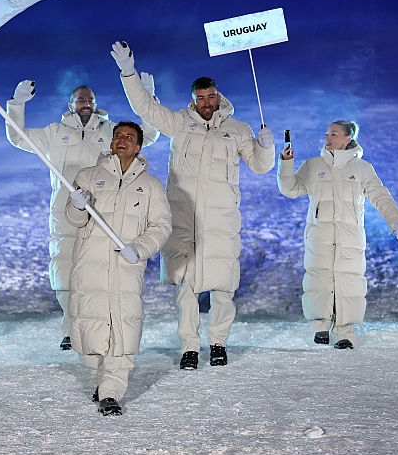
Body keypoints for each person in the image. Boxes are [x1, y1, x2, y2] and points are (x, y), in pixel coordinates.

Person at [110, 42, 275, 370]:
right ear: (193, 99)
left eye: (211, 97)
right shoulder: (179, 124)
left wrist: (266, 146)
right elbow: (146, 109)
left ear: (218, 96)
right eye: (200, 98)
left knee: (222, 283)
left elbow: (260, 166)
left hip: (221, 218)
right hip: (184, 216)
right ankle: (189, 346)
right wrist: (128, 73)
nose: (206, 103)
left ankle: (218, 343)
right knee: (185, 282)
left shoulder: (237, 129)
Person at [5, 80, 158, 351]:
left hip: (104, 213)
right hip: (65, 211)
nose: (85, 105)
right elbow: (18, 136)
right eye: (80, 100)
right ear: (70, 105)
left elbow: (149, 134)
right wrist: (17, 105)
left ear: (96, 105)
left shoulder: (112, 132)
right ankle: (70, 327)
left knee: (97, 274)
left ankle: (99, 328)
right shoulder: (55, 132)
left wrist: (149, 99)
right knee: (65, 273)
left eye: (90, 101)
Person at [65, 121, 172, 416]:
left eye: (129, 137)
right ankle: (99, 379)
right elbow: (74, 220)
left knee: (123, 329)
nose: (121, 140)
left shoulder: (150, 185)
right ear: (111, 142)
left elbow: (162, 225)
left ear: (138, 146)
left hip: (126, 267)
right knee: (91, 330)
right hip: (91, 267)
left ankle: (111, 392)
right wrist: (76, 204)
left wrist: (139, 248)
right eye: (117, 136)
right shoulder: (88, 176)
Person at [277, 120, 398, 349]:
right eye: (327, 134)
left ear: (348, 138)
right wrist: (286, 164)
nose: (328, 138)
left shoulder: (362, 169)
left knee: (349, 282)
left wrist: (396, 221)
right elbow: (290, 189)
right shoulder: (312, 165)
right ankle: (321, 327)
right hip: (320, 235)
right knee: (319, 279)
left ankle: (345, 332)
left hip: (350, 237)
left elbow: (380, 195)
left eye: (334, 134)